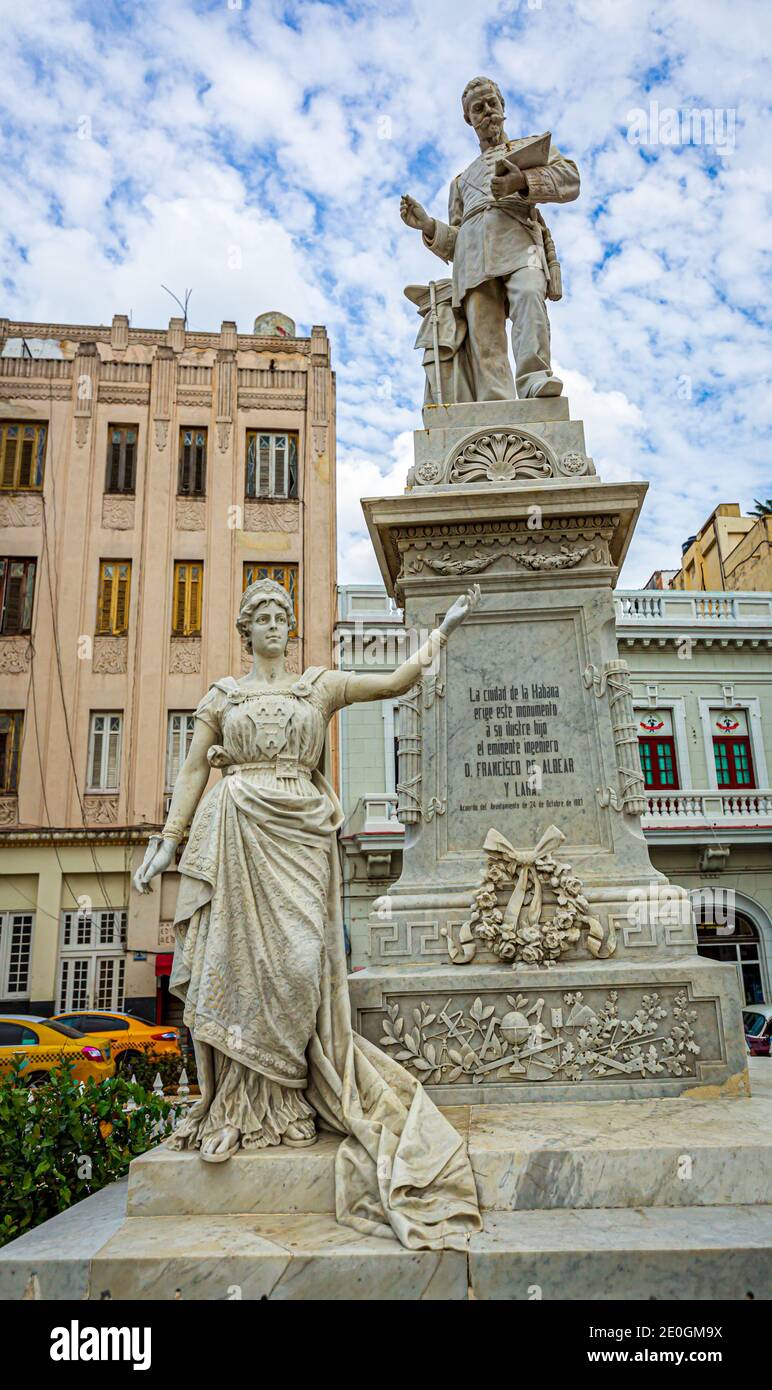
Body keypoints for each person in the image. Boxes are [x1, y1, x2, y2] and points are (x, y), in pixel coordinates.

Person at [133, 577, 482, 1249]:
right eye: (260, 614)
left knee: (297, 965)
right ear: (245, 628)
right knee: (234, 969)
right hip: (236, 831)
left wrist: (443, 631)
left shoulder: (316, 686)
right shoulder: (224, 696)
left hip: (297, 837)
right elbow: (191, 772)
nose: (271, 622)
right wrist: (167, 844)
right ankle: (238, 1106)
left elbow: (394, 683)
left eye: (280, 614)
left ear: (290, 627)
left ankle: (287, 1096)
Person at [400, 75, 579, 401]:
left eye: (492, 104)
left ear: (503, 107)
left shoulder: (531, 148)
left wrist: (521, 181)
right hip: (473, 262)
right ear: (468, 119)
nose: (487, 113)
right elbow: (457, 240)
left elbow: (570, 178)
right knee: (485, 335)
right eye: (478, 108)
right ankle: (496, 406)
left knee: (528, 297)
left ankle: (534, 380)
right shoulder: (461, 181)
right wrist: (428, 226)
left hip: (520, 247)